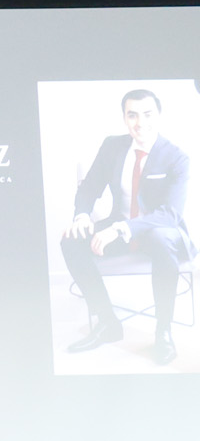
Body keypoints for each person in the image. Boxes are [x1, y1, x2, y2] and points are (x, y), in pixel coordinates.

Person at [60, 88, 192, 366]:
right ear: (124, 117)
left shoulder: (176, 157)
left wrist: (120, 229)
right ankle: (107, 322)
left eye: (147, 114)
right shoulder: (112, 146)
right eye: (132, 115)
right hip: (118, 227)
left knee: (161, 238)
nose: (140, 123)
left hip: (159, 232)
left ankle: (163, 331)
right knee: (71, 240)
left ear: (159, 115)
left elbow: (170, 214)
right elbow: (90, 187)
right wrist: (82, 215)